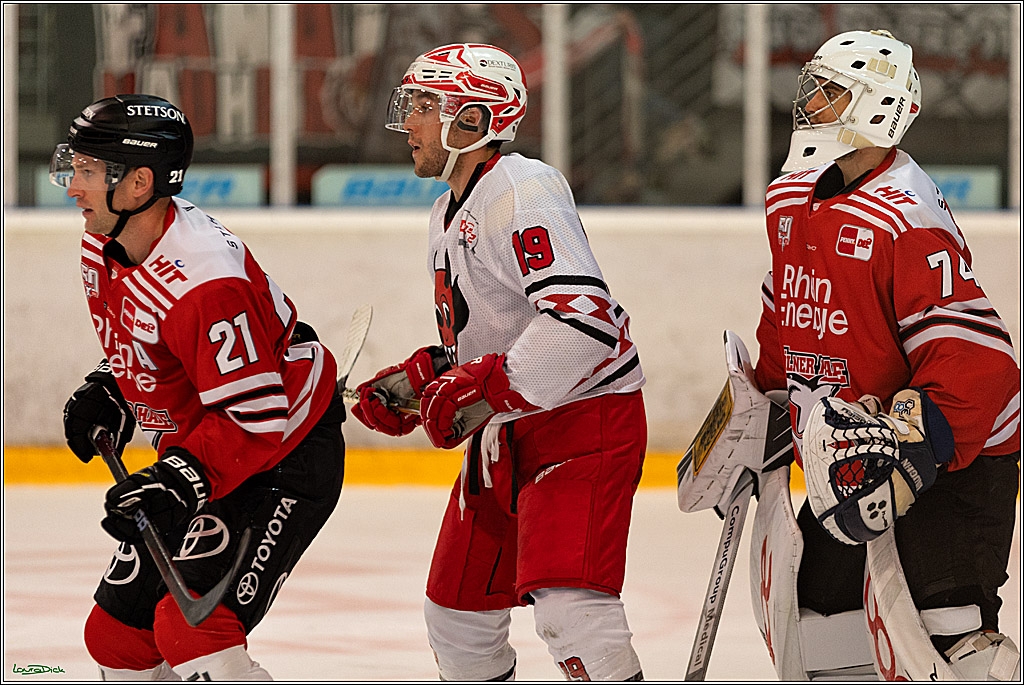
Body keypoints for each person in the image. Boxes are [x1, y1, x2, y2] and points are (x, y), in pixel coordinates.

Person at [351, 44, 647, 681]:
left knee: (573, 612)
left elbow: (584, 323)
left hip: (582, 423)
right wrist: (422, 380)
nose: (409, 122)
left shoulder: (523, 189)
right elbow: (492, 336)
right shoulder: (447, 210)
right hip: (506, 432)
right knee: (456, 618)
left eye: (426, 105)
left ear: (473, 119)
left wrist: (479, 387)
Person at [748, 29, 1019, 680]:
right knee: (820, 626)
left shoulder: (905, 214)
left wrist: (910, 449)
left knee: (952, 637)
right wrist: (759, 405)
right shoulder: (794, 198)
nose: (808, 102)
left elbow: (981, 362)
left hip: (955, 460)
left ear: (877, 108)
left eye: (829, 92)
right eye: (811, 88)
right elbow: (790, 314)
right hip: (854, 455)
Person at [54, 94, 346, 681]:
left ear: (138, 183)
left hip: (283, 456)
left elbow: (256, 418)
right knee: (116, 640)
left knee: (192, 628)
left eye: (86, 171)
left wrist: (180, 478)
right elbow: (157, 344)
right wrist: (114, 389)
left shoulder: (205, 281)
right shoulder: (106, 242)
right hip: (207, 451)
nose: (72, 187)